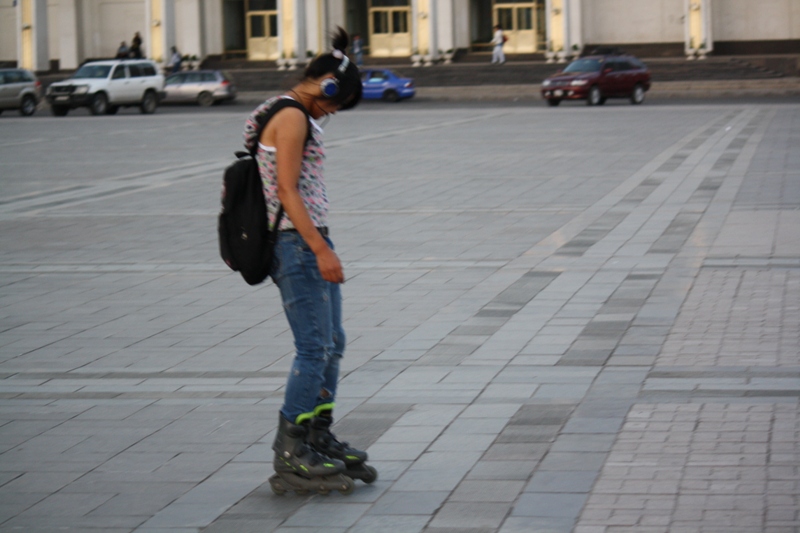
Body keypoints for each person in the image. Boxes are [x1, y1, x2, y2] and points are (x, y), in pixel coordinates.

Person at [242, 27, 375, 496]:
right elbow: (286, 190)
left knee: (332, 343)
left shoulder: (297, 113)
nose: (332, 112)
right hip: (296, 244)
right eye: (335, 104)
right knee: (313, 347)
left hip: (309, 239)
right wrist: (320, 248)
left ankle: (317, 436)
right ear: (327, 86)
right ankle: (291, 450)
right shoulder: (293, 117)